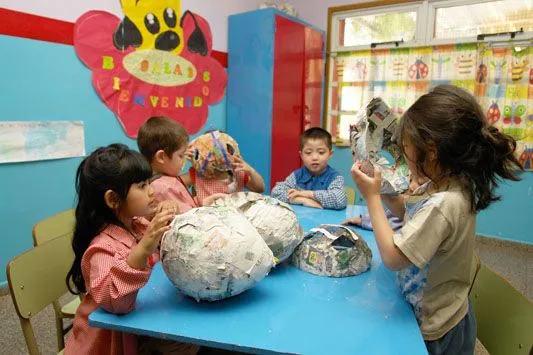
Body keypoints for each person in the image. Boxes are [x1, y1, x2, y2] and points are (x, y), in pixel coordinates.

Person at [350, 85, 522, 354]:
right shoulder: (446, 183)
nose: (404, 154)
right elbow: (409, 212)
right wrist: (382, 191)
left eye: (406, 147)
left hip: (437, 330)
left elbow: (394, 257)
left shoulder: (444, 204)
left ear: (431, 152)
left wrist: (370, 197)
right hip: (444, 311)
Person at [65, 144, 197, 355]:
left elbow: (167, 250)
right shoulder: (101, 249)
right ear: (113, 199)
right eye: (142, 186)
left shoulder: (136, 223)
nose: (152, 190)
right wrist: (145, 246)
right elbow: (118, 303)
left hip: (143, 322)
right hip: (112, 342)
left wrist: (168, 214)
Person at [271, 127, 346, 210]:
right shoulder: (296, 176)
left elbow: (339, 200)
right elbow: (276, 193)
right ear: (301, 155)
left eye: (321, 152)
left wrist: (306, 194)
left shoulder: (335, 178)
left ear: (330, 154)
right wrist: (302, 200)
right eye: (308, 153)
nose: (314, 157)